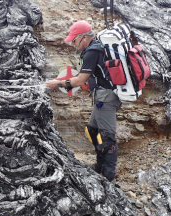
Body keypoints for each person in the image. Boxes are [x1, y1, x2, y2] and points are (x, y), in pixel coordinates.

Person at [45, 21, 120, 183]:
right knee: (93, 131)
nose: (72, 44)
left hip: (106, 99)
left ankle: (108, 175)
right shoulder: (97, 46)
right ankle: (100, 165)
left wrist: (57, 84)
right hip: (103, 96)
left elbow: (79, 80)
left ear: (83, 37)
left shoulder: (91, 52)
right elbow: (97, 73)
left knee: (107, 137)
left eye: (74, 40)